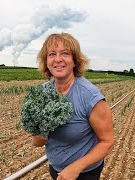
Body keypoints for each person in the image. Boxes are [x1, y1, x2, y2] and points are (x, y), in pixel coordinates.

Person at [33, 33, 114, 180]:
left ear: (75, 61)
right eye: (52, 54)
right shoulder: (43, 92)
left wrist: (75, 168)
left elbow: (107, 142)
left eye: (65, 53)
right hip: (56, 169)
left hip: (85, 173)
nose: (58, 59)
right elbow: (37, 141)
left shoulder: (90, 96)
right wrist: (40, 134)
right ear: (46, 61)